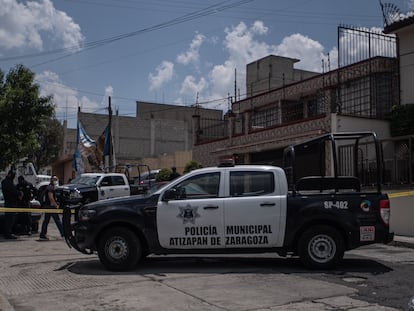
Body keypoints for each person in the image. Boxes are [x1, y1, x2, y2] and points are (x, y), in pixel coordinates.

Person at [39, 175, 64, 240]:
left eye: (56, 179)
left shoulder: (51, 187)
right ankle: (63, 234)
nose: (56, 181)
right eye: (54, 179)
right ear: (51, 180)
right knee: (57, 220)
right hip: (51, 207)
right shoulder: (50, 187)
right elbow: (51, 198)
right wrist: (56, 205)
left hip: (48, 206)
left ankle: (42, 235)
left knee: (46, 221)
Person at [1, 170, 22, 239]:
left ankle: (8, 232)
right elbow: (13, 191)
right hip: (10, 203)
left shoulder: (8, 182)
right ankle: (8, 234)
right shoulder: (6, 182)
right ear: (9, 174)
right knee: (9, 219)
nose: (14, 177)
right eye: (13, 175)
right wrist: (19, 193)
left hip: (12, 203)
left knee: (11, 219)